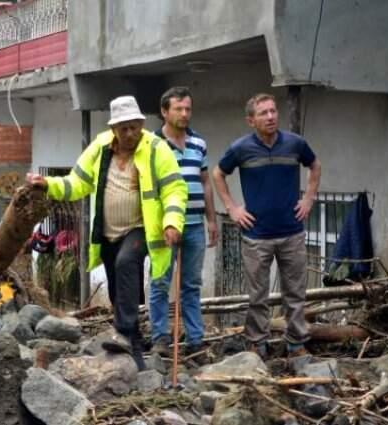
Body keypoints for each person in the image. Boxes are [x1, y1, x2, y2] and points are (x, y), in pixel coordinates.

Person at [26, 95, 188, 370]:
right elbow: (76, 183)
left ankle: (123, 332)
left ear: (141, 124)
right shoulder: (100, 148)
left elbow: (175, 188)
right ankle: (134, 354)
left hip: (141, 228)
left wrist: (172, 221)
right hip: (108, 233)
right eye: (123, 129)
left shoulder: (157, 149)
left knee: (127, 263)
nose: (129, 134)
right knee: (119, 289)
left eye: (134, 127)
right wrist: (48, 184)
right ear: (113, 129)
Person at [212, 93, 321, 358]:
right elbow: (218, 173)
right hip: (256, 235)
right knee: (257, 295)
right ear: (251, 120)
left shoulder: (295, 144)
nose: (271, 116)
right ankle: (257, 344)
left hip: (291, 232)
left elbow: (314, 165)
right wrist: (232, 208)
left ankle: (296, 343)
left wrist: (308, 198)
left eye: (273, 111)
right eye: (264, 113)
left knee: (295, 293)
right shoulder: (241, 148)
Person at [149, 87, 217, 360]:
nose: (184, 113)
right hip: (163, 226)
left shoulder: (198, 143)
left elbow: (205, 182)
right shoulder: (151, 144)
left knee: (191, 284)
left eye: (188, 108)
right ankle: (160, 338)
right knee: (160, 282)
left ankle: (195, 340)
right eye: (178, 108)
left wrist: (212, 219)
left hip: (194, 225)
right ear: (165, 112)